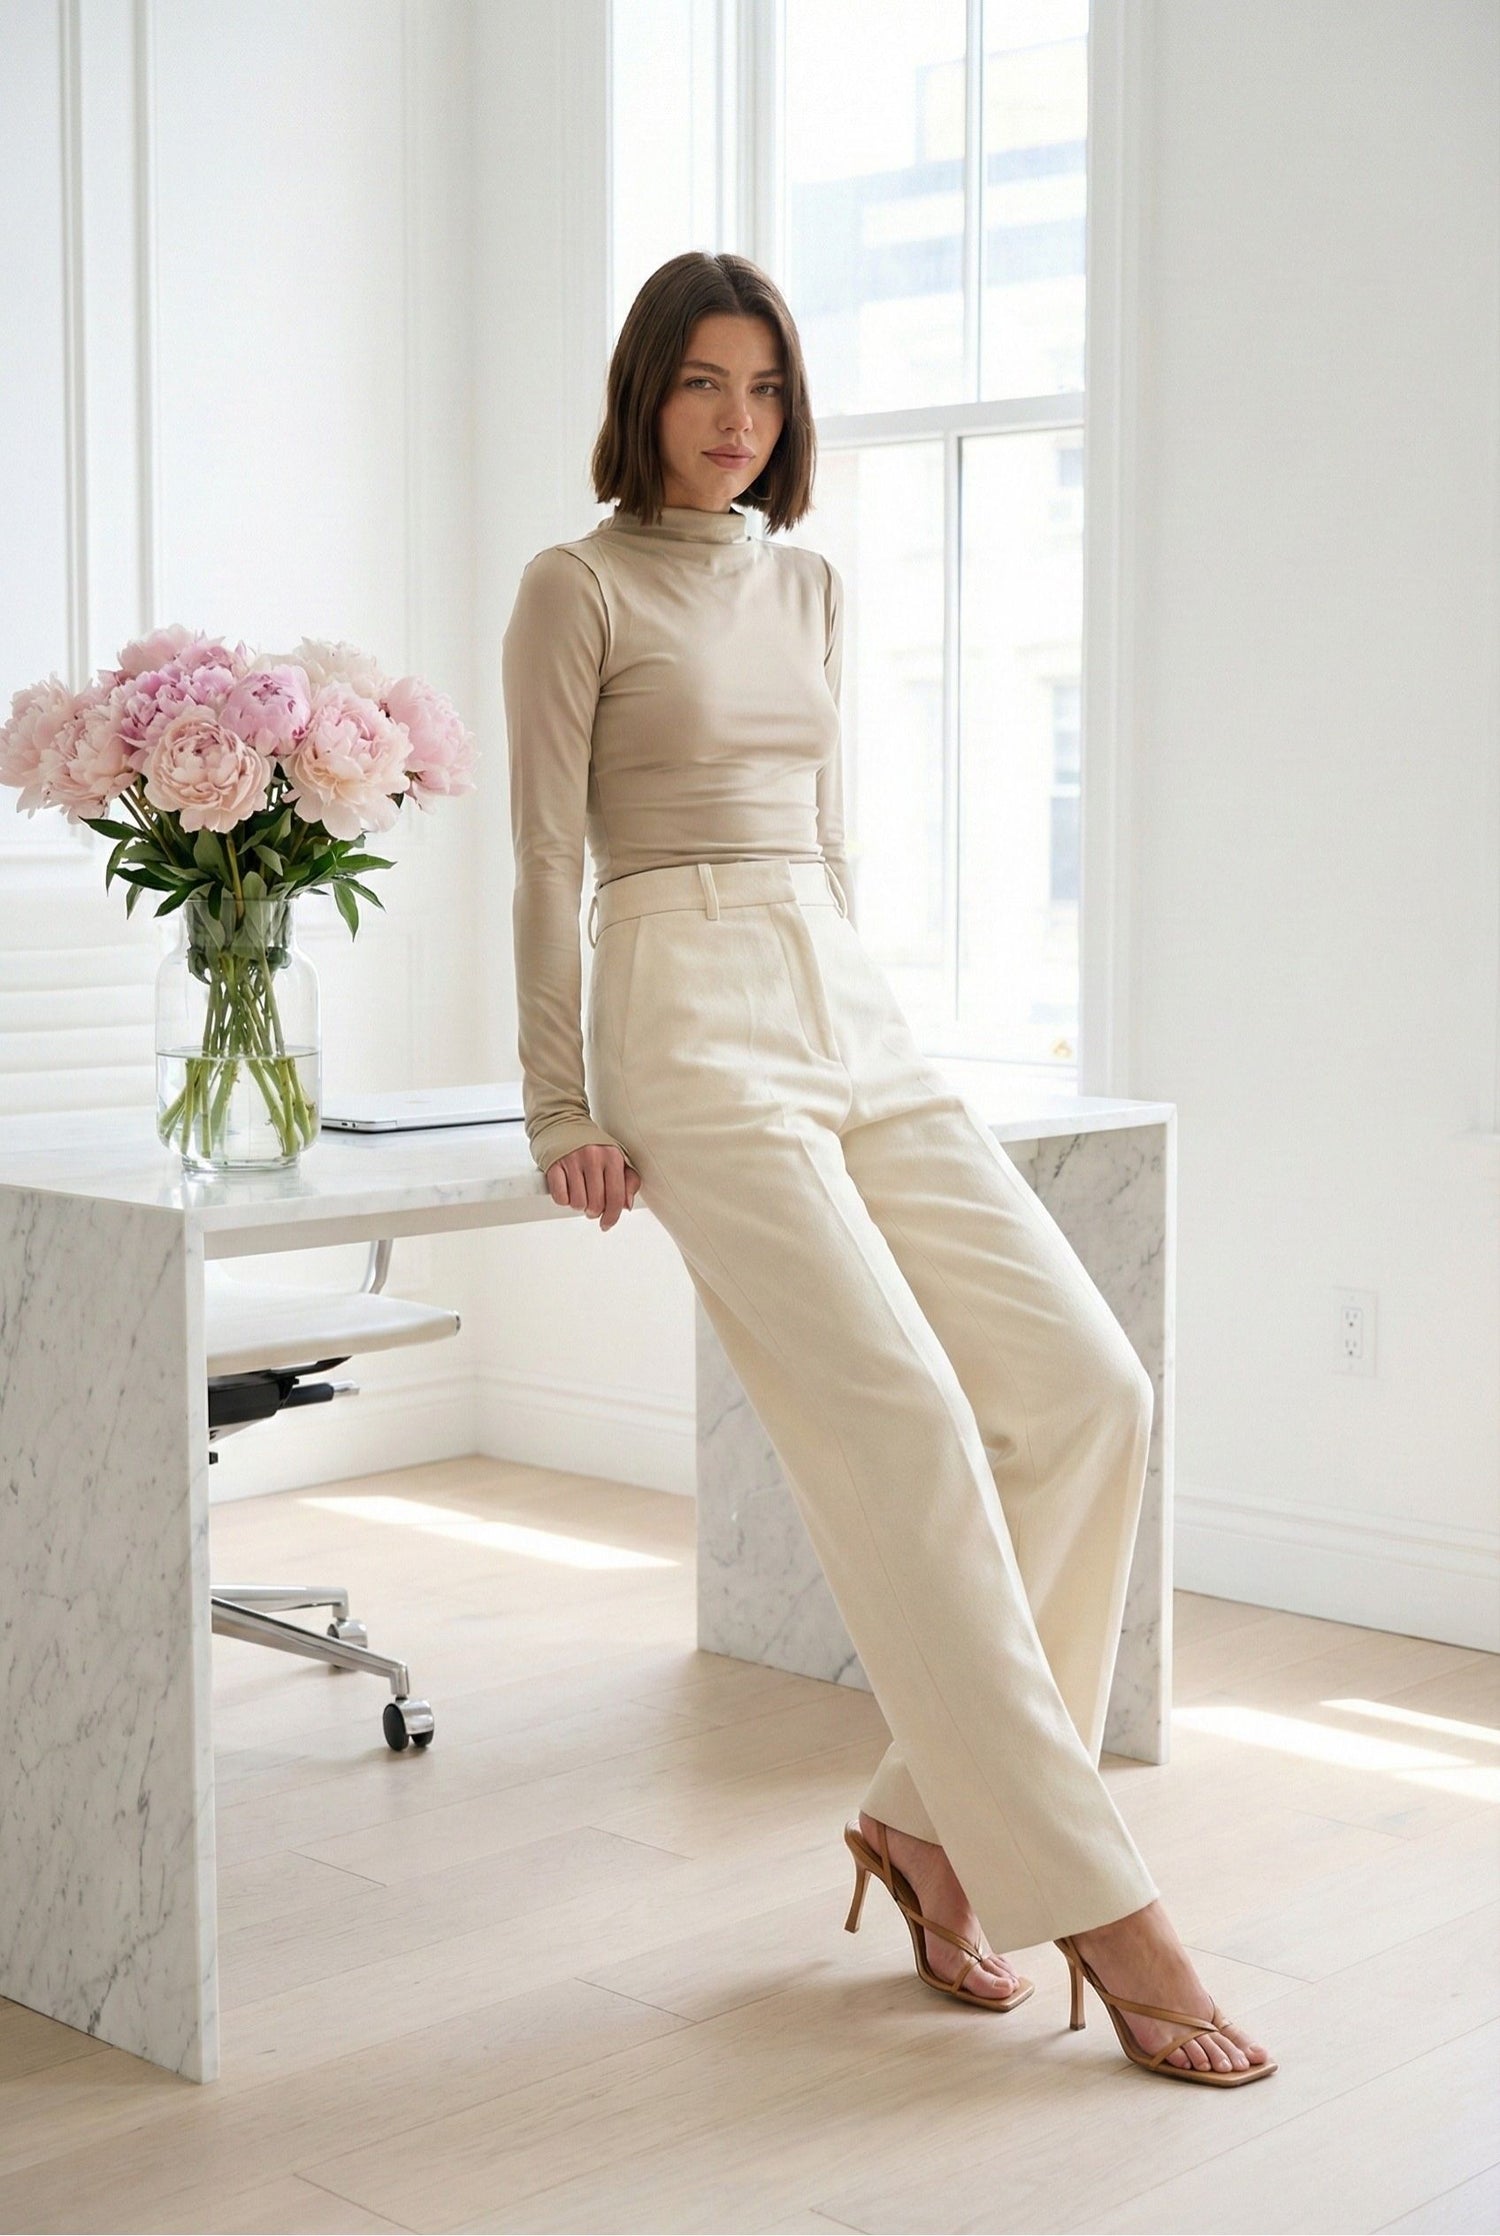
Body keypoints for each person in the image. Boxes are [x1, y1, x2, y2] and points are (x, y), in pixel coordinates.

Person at [502, 250, 1276, 2087]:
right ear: (644, 394)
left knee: (1088, 1393)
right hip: (680, 997)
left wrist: (864, 1012)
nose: (736, 420)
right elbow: (544, 859)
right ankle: (1100, 1898)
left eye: (765, 388)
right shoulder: (575, 584)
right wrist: (559, 1103)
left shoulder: (812, 583)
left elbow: (830, 843)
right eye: (703, 383)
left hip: (840, 994)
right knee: (908, 1423)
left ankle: (928, 1822)